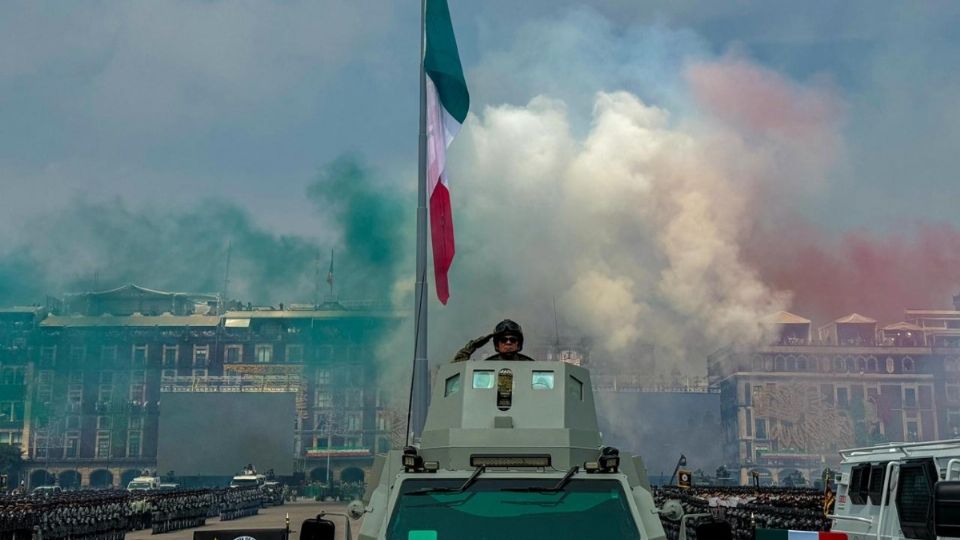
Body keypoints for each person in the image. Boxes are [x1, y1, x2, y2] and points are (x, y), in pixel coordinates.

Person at [452, 319, 535, 362]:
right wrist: (473, 346)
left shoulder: (529, 364)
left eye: (512, 340)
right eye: (503, 340)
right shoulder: (487, 365)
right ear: (496, 345)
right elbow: (455, 369)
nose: (508, 342)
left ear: (519, 345)